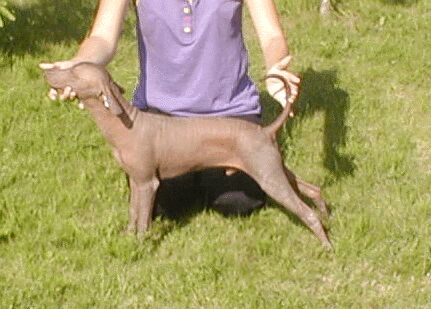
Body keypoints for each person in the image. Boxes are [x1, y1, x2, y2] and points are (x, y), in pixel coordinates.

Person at [40, 0, 300, 217]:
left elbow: (272, 36)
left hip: (229, 112)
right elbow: (102, 37)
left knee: (239, 201)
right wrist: (77, 68)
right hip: (162, 118)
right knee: (165, 203)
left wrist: (276, 66)